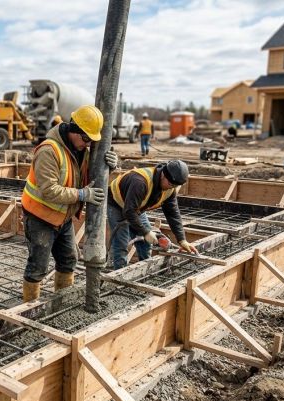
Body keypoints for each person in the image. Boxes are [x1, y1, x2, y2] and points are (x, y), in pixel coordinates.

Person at [21, 104, 118, 302]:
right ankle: (28, 309)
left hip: (62, 219)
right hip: (40, 217)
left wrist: (110, 166)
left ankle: (62, 302)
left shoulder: (80, 150)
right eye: (85, 138)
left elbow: (90, 176)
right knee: (38, 266)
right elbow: (49, 191)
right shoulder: (49, 151)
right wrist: (82, 195)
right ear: (74, 130)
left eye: (91, 140)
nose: (88, 143)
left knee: (68, 261)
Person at [107, 160, 198, 270]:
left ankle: (144, 272)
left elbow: (172, 214)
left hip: (137, 207)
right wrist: (145, 232)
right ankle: (120, 276)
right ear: (163, 175)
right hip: (116, 204)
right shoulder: (140, 182)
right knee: (122, 243)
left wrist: (182, 240)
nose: (171, 187)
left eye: (175, 186)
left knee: (146, 243)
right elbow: (129, 212)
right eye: (170, 184)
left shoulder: (170, 188)